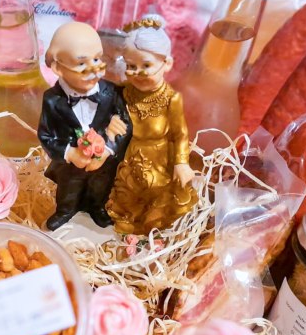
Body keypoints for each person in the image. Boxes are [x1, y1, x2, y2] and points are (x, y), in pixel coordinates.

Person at [106, 15, 199, 235]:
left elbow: (180, 135)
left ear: (166, 64)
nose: (137, 73)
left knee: (157, 190)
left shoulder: (171, 99)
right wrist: (110, 124)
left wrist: (181, 163)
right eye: (131, 66)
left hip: (159, 157)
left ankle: (150, 228)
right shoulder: (122, 92)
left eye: (146, 65)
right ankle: (126, 220)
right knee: (124, 188)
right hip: (128, 154)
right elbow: (107, 115)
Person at [38, 22, 133, 231]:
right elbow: (46, 135)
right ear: (57, 67)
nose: (93, 69)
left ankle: (96, 208)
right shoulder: (52, 100)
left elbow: (125, 123)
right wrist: (70, 153)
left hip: (104, 163)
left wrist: (107, 149)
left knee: (100, 187)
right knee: (69, 188)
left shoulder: (111, 92)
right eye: (81, 64)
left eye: (98, 59)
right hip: (70, 166)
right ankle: (65, 210)